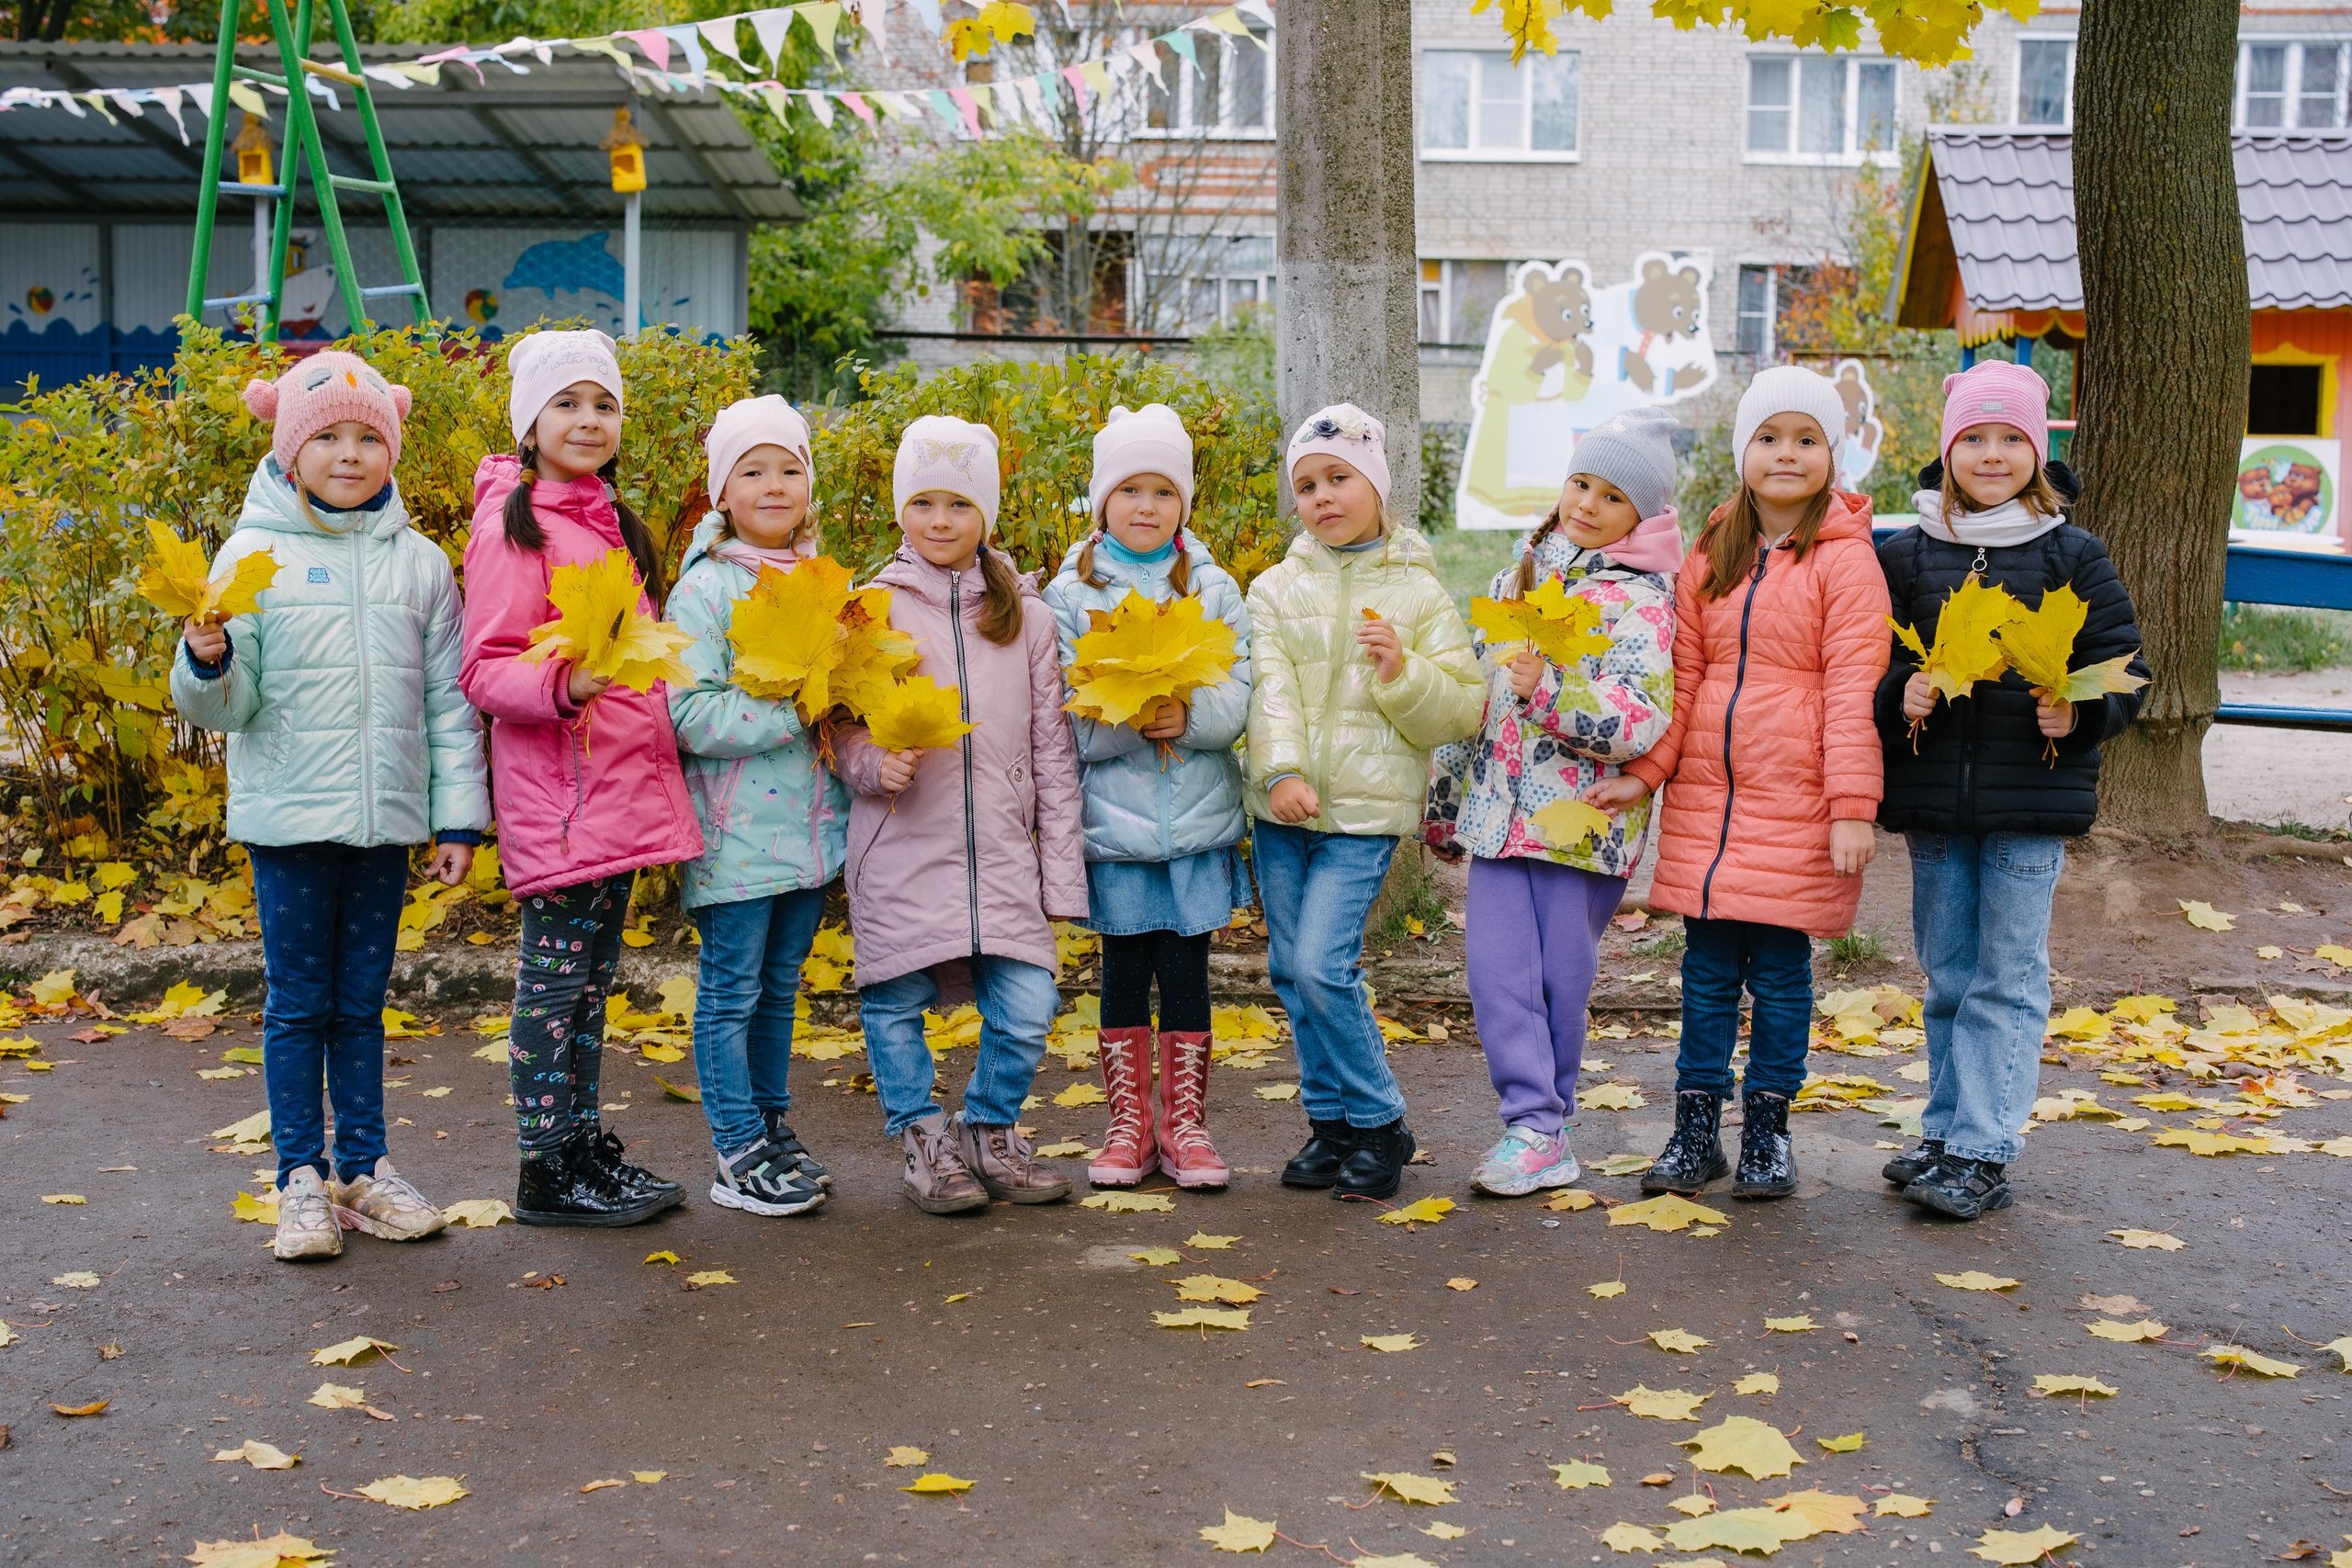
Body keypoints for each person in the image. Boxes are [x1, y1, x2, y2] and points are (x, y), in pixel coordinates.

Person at [171, 351, 490, 1261]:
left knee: (360, 1002)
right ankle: (299, 1179)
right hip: (289, 825)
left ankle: (363, 1170)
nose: (349, 455)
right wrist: (207, 660)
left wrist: (457, 817)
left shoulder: (421, 568)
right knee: (298, 1002)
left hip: (383, 823)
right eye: (329, 438)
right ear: (291, 449)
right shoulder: (250, 559)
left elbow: (446, 705)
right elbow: (228, 710)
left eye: (367, 438)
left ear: (388, 447)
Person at [1589, 367, 1892, 1201]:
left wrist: (1851, 808)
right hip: (1709, 810)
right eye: (1768, 437)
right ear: (1742, 452)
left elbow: (1852, 691)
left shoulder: (1847, 564)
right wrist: (1650, 772)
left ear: (1833, 455)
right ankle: (1694, 1131)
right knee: (1707, 973)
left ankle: (1767, 1130)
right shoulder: (1712, 553)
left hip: (1797, 804)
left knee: (1783, 976)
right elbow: (1682, 683)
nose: (1786, 454)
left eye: (1806, 439)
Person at [1875, 362, 2147, 1219]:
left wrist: (2083, 712)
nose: (1992, 454)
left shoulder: (2073, 553)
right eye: (1974, 438)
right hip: (1934, 808)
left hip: (2031, 802)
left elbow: (2127, 673)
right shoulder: (1905, 551)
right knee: (1949, 972)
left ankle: (1985, 1147)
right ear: (1947, 449)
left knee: (2008, 975)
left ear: (2038, 451)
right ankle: (1948, 1126)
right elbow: (1871, 665)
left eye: (2011, 438)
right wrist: (1900, 697)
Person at [459, 329, 703, 1227]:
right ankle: (543, 1167)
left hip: (615, 792)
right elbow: (485, 667)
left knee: (593, 981)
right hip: (561, 799)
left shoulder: (606, 521)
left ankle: (579, 1143)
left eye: (602, 404)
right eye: (566, 403)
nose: (588, 419)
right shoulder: (514, 526)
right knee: (555, 983)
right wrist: (566, 685)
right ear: (529, 424)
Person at [832, 416, 1087, 1215]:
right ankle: (922, 1138)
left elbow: (1054, 755)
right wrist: (876, 765)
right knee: (895, 1003)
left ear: (989, 514)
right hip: (900, 842)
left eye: (959, 504)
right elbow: (838, 727)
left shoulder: (1028, 620)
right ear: (901, 509)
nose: (939, 521)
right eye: (923, 502)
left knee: (1028, 1004)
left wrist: (1062, 877)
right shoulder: (869, 609)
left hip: (1003, 854)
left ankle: (988, 1127)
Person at [1425, 409, 1683, 1196]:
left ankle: (1549, 1124)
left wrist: (1553, 693)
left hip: (1583, 823)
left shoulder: (1641, 601)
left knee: (1557, 978)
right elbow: (1477, 693)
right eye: (1581, 483)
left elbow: (1642, 716)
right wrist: (1443, 799)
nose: (1588, 503)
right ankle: (1532, 1123)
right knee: (1496, 970)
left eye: (1612, 495)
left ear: (1644, 515)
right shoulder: (1522, 577)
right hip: (1501, 817)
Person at [1248, 403, 1484, 1201]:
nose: (1322, 496)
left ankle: (1382, 1118)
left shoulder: (1418, 594)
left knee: (1322, 962)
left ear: (1379, 487)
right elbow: (1268, 688)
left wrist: (1401, 674)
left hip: (1361, 814)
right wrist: (1278, 771)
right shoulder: (1274, 590)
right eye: (1306, 484)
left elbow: (1461, 708)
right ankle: (1331, 1123)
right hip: (1282, 810)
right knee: (1289, 968)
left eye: (1339, 478)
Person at [1044, 404, 1254, 1190]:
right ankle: (1129, 1123)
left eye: (1162, 490)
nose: (1145, 505)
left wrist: (1191, 717)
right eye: (1128, 489)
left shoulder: (1212, 586)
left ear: (1183, 502)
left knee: (1189, 971)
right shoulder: (1071, 595)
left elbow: (1240, 692)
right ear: (1102, 501)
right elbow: (1065, 709)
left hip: (1196, 820)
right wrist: (1131, 721)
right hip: (1117, 828)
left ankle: (1186, 1125)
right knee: (1125, 971)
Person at [667, 395, 850, 1218]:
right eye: (753, 470)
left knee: (781, 987)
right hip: (736, 830)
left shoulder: (825, 580)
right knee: (732, 990)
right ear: (722, 492)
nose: (775, 484)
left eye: (790, 468)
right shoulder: (704, 590)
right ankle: (735, 1146)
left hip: (811, 832)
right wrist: (793, 712)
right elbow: (688, 712)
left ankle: (773, 1125)